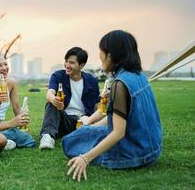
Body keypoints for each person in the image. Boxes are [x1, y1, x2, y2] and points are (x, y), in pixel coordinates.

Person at [63, 30, 163, 182]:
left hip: (135, 153)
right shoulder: (139, 76)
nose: (100, 56)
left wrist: (85, 158)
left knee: (70, 141)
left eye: (101, 51)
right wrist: (92, 125)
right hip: (152, 148)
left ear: (110, 55)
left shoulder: (120, 84)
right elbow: (119, 118)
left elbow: (118, 133)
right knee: (86, 131)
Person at [39, 47, 100, 150]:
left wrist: (93, 122)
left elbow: (97, 107)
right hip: (64, 120)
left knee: (87, 123)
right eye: (66, 61)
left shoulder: (92, 81)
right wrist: (54, 100)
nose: (67, 65)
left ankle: (81, 134)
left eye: (71, 62)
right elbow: (50, 93)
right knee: (51, 103)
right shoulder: (58, 76)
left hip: (83, 121)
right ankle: (47, 136)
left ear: (81, 65)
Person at [0, 54, 36, 149]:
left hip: (0, 124)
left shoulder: (11, 83)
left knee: (29, 140)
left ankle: (2, 141)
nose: (4, 68)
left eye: (5, 64)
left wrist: (22, 125)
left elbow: (16, 107)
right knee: (16, 134)